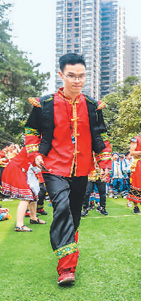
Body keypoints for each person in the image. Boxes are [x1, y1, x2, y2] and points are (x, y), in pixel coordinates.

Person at [24, 53, 112, 285]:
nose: (77, 81)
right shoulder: (44, 104)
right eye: (71, 76)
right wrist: (35, 155)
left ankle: (69, 257)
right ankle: (66, 269)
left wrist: (104, 164)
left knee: (73, 216)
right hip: (53, 167)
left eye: (81, 76)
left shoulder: (93, 106)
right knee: (61, 209)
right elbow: (31, 133)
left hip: (82, 170)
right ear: (61, 75)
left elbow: (101, 138)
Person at [1, 147, 46, 232]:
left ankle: (33, 218)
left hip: (24, 169)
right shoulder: (34, 145)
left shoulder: (38, 145)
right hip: (17, 169)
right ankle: (19, 225)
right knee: (26, 196)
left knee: (33, 193)